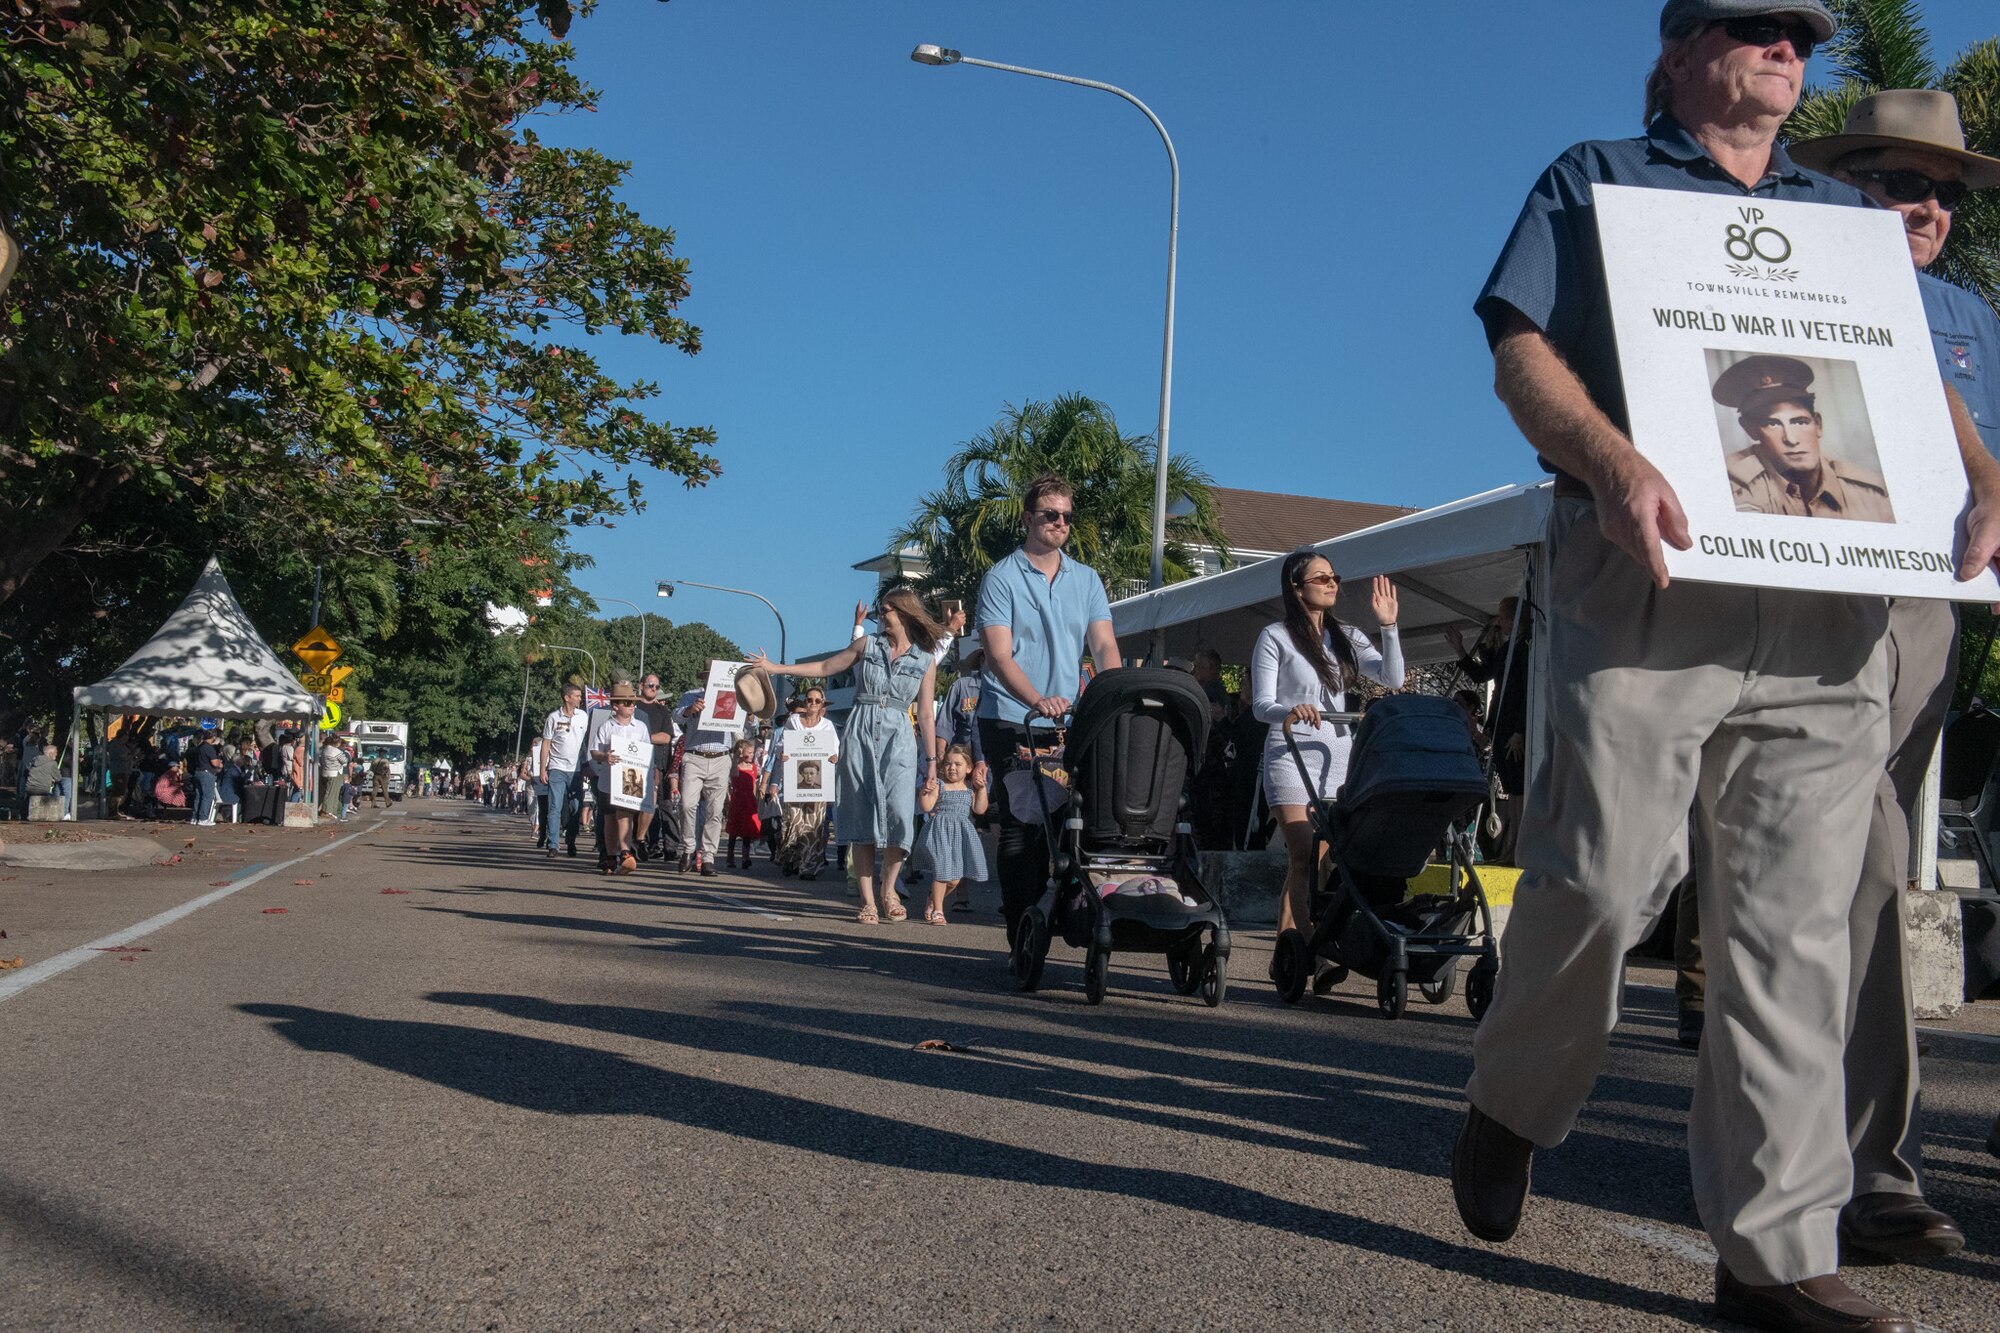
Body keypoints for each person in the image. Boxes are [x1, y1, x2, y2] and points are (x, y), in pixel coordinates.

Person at [1449, 7, 2000, 1330]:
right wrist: (1615, 459)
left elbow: (1910, 378)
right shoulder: (1596, 179)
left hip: (1827, 609)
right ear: (1685, 47)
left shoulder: (1845, 220)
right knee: (1604, 878)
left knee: (1797, 936)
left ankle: (1772, 1256)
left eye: (1801, 37)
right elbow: (1520, 347)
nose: (1787, 52)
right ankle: (1513, 1102)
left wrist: (1982, 484)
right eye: (1757, 29)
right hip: (1645, 576)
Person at [1776, 86, 2000, 1265]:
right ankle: (1801, 1159)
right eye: (1898, 181)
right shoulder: (1774, 271)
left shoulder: (1967, 313)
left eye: (1943, 191)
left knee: (1867, 872)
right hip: (1793, 586)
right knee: (1805, 872)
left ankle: (1865, 1168)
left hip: (1925, 605)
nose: (1924, 206)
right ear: (1839, 184)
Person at [973, 472, 1122, 943]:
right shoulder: (1001, 578)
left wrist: (1113, 692)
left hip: (1069, 720)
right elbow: (998, 655)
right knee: (1020, 826)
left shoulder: (1087, 578)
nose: (1059, 523)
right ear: (1028, 519)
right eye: (1050, 515)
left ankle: (1062, 915)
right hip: (1013, 718)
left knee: (1067, 822)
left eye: (1066, 517)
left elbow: (1103, 644)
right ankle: (1021, 932)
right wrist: (1037, 700)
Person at [1249, 552, 1404, 978]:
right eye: (1321, 578)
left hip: (1338, 757)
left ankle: (1289, 954)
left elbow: (1392, 678)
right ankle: (1313, 954)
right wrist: (1290, 710)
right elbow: (1260, 704)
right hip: (1292, 752)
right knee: (1302, 854)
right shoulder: (1276, 636)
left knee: (1319, 860)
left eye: (1334, 576)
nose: (1332, 583)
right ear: (1297, 588)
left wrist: (1388, 626)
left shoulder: (1348, 636)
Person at [750, 585, 941, 924]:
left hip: (899, 736)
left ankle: (889, 887)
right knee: (860, 817)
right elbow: (825, 666)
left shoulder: (925, 659)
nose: (879, 615)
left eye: (886, 610)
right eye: (880, 611)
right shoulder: (866, 645)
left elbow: (926, 713)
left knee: (900, 815)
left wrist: (931, 764)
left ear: (905, 613)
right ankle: (868, 900)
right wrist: (776, 669)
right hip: (860, 730)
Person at [1711, 355, 1896, 521]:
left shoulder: (1872, 492)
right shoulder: (1728, 486)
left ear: (1818, 425)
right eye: (1773, 424)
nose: (1791, 439)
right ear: (1751, 431)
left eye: (1799, 422)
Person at [767, 686, 839, 880]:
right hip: (795, 782)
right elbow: (782, 745)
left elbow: (835, 749)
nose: (813, 703)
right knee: (793, 822)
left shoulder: (827, 726)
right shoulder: (793, 721)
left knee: (814, 826)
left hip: (818, 783)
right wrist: (782, 754)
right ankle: (790, 859)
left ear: (822, 703)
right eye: (809, 699)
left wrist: (834, 757)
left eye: (817, 700)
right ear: (805, 702)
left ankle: (809, 867)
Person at [914, 744, 989, 924]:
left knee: (954, 880)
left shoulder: (970, 790)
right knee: (941, 872)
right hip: (939, 833)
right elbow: (926, 807)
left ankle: (933, 897)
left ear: (969, 768)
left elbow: (980, 810)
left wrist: (982, 789)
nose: (952, 768)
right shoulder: (939, 785)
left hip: (960, 836)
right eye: (948, 764)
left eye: (957, 764)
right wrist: (924, 793)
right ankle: (938, 911)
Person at [588, 681, 652, 875]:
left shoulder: (640, 727)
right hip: (608, 779)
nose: (632, 706)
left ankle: (625, 851)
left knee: (626, 815)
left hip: (630, 779)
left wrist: (651, 773)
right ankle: (610, 855)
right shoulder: (606, 727)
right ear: (615, 705)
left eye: (633, 702)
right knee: (609, 819)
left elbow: (646, 752)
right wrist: (605, 757)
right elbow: (594, 751)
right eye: (627, 702)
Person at [676, 687, 736, 877]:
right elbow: (677, 717)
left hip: (720, 756)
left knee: (715, 810)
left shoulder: (732, 696)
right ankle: (688, 847)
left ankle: (708, 856)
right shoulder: (691, 695)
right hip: (695, 755)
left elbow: (745, 726)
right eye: (708, 675)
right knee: (686, 804)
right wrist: (690, 709)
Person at [538, 683, 589, 857]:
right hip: (557, 768)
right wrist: (542, 769)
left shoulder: (583, 716)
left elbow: (588, 740)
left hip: (575, 770)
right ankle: (553, 844)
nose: (580, 698)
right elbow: (546, 743)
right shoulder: (553, 717)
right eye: (576, 695)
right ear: (567, 697)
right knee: (555, 806)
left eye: (580, 695)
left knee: (576, 807)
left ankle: (571, 840)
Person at [634, 674, 678, 859]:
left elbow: (666, 737)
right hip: (635, 763)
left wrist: (642, 737)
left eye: (657, 686)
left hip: (659, 764)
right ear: (641, 685)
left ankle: (670, 847)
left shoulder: (662, 712)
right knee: (636, 806)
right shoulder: (632, 708)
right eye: (650, 685)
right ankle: (637, 844)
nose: (654, 689)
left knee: (663, 806)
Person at [723, 737, 761, 869]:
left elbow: (754, 785)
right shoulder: (736, 767)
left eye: (752, 752)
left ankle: (746, 857)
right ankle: (730, 857)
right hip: (737, 800)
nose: (751, 755)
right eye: (749, 752)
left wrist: (755, 799)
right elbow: (733, 775)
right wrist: (735, 757)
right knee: (734, 830)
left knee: (748, 830)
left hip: (749, 800)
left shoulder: (753, 767)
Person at [318, 735, 348, 821]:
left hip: (325, 772)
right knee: (332, 793)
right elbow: (344, 761)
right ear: (337, 743)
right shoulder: (336, 751)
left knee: (327, 791)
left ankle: (328, 810)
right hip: (335, 773)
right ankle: (327, 811)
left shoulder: (324, 750)